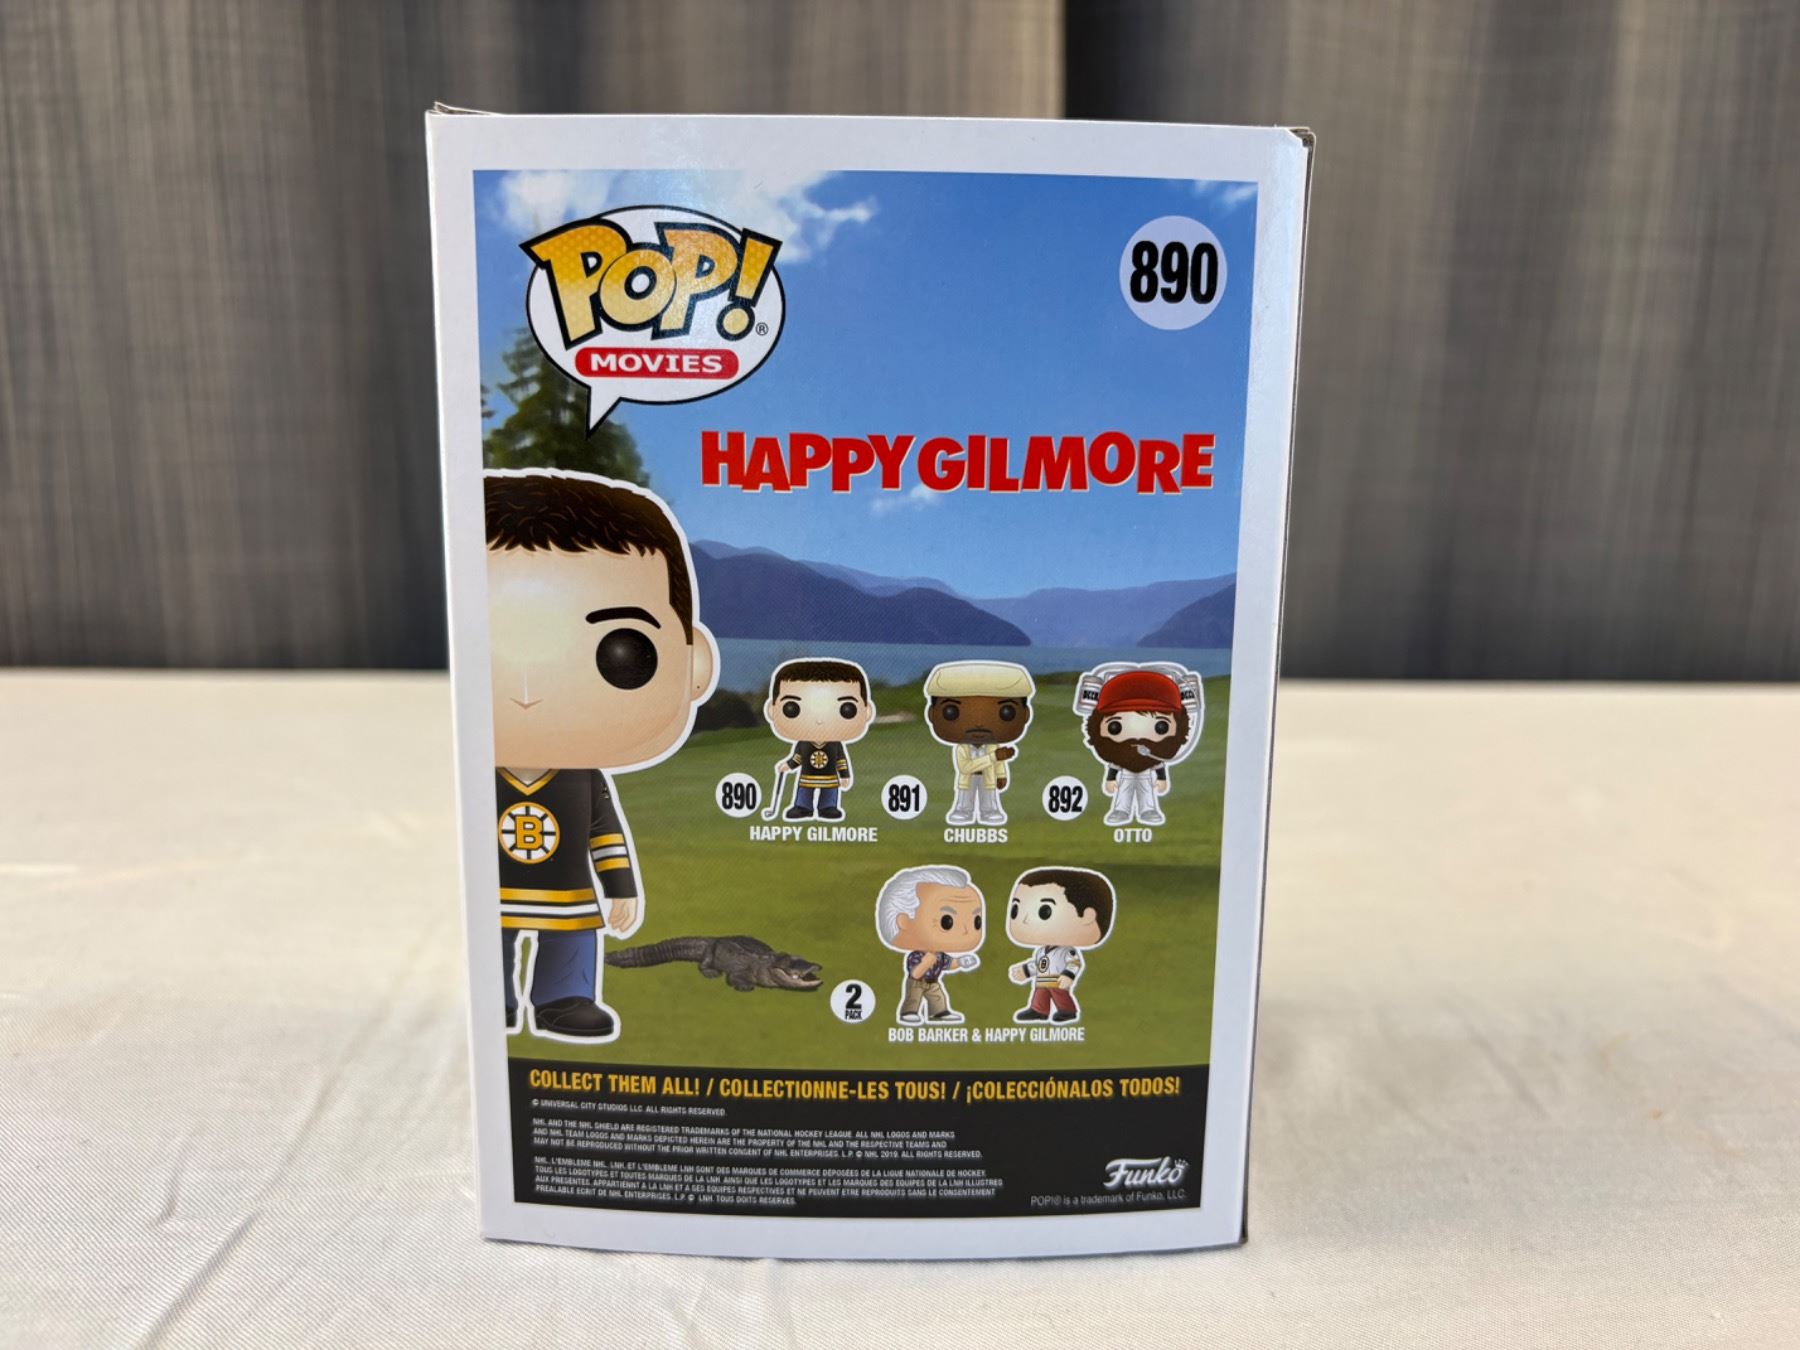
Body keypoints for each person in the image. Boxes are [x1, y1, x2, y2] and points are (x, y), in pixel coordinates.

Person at [486, 469, 717, 1041]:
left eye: (622, 651)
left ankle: (563, 999)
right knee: (488, 942)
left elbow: (605, 833)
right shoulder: (471, 773)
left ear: (695, 665)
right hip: (487, 893)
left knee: (571, 940)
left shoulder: (583, 778)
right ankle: (492, 999)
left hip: (568, 889)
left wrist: (622, 887)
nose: (527, 691)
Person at [923, 661, 1035, 825]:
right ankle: (963, 811)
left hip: (988, 777)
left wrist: (1001, 775)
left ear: (1025, 715)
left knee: (989, 796)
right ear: (932, 714)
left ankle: (989, 812)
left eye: (1006, 712)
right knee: (965, 797)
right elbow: (965, 767)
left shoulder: (993, 746)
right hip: (968, 778)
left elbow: (999, 763)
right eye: (951, 712)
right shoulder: (963, 748)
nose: (979, 724)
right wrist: (994, 757)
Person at [1082, 667, 1195, 827]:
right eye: (1115, 727)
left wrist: (1162, 778)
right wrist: (1110, 779)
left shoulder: (1152, 755)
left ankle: (1148, 810)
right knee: (1124, 791)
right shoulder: (1120, 755)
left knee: (1146, 791)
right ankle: (1121, 810)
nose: (1137, 737)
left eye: (1161, 727)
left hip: (1145, 773)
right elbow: (1114, 766)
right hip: (1126, 773)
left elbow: (1159, 763)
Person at [763, 659, 875, 820]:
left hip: (830, 778)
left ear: (867, 712)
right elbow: (797, 758)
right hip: (807, 777)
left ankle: (828, 807)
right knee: (805, 791)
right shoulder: (803, 743)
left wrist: (845, 776)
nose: (819, 720)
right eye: (792, 708)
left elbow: (840, 761)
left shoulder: (835, 744)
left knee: (829, 792)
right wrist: (787, 765)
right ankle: (803, 807)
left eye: (847, 709)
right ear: (772, 711)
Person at [874, 865, 985, 1024]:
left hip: (932, 982)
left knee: (938, 997)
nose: (966, 931)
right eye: (947, 922)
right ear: (904, 922)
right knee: (913, 997)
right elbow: (915, 973)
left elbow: (949, 964)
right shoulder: (917, 955)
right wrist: (926, 963)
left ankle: (939, 1012)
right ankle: (909, 1012)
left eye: (977, 921)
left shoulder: (940, 955)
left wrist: (961, 962)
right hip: (917, 983)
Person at [1005, 867, 1116, 1024]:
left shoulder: (1067, 951)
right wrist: (1025, 971)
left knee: (1060, 995)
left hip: (1058, 980)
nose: (1025, 920)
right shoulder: (1042, 951)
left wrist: (1068, 975)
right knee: (1040, 995)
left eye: (1045, 911)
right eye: (1015, 910)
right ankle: (1039, 1010)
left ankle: (1067, 1011)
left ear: (1087, 917)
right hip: (1043, 980)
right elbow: (1038, 965)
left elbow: (1074, 963)